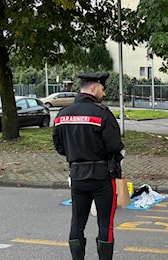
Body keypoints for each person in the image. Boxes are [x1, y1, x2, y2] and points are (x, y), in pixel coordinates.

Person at [52, 72, 125, 260]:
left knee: (77, 223)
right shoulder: (102, 113)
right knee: (105, 224)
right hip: (102, 177)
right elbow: (115, 145)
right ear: (93, 88)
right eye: (102, 89)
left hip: (77, 176)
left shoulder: (62, 115)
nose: (104, 92)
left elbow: (60, 148)